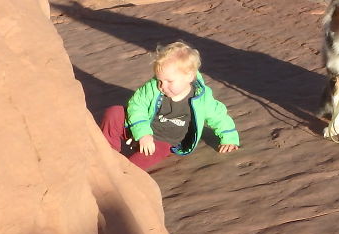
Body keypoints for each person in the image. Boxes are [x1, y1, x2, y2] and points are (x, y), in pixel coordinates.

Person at [100, 41, 239, 171]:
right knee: (114, 112)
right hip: (142, 126)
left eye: (169, 81)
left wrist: (229, 138)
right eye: (159, 80)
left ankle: (121, 172)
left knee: (138, 163)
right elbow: (137, 106)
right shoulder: (153, 87)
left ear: (189, 76)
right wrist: (143, 133)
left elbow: (218, 115)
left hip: (163, 140)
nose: (162, 86)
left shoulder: (200, 97)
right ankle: (107, 153)